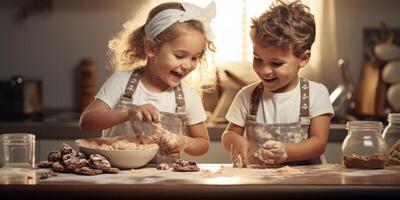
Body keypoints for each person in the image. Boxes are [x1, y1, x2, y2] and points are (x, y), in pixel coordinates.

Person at [79, 1, 216, 162]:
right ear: (151, 48)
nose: (187, 65)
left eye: (195, 58)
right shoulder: (121, 82)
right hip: (116, 179)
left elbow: (203, 143)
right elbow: (87, 121)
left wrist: (184, 142)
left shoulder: (188, 96)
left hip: (164, 181)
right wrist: (127, 113)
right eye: (179, 56)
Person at [221, 0, 334, 167]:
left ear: (303, 58)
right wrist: (237, 142)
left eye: (276, 63)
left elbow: (318, 143)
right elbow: (228, 135)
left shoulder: (316, 93)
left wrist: (286, 151)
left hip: (308, 184)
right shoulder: (247, 96)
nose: (265, 70)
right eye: (258, 59)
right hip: (260, 183)